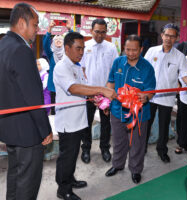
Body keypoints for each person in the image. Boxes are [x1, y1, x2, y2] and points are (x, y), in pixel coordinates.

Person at [0, 3, 53, 200]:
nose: (37, 30)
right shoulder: (22, 50)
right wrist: (45, 130)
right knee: (28, 183)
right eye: (35, 25)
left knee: (15, 177)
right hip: (27, 131)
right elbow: (32, 97)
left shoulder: (1, 47)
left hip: (11, 127)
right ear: (21, 23)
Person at [53, 32, 116, 200]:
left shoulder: (76, 66)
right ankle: (63, 189)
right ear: (67, 48)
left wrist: (94, 98)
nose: (81, 52)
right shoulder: (62, 67)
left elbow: (83, 89)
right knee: (67, 156)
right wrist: (102, 89)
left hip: (78, 119)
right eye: (78, 48)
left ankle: (69, 179)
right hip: (68, 121)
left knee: (73, 154)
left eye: (83, 48)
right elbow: (73, 88)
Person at [144, 23, 187, 163]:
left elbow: (185, 75)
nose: (168, 38)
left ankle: (161, 150)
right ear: (162, 35)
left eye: (172, 36)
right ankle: (141, 148)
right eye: (166, 35)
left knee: (164, 126)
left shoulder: (179, 56)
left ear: (177, 38)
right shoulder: (151, 51)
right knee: (145, 124)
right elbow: (143, 69)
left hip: (166, 98)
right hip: (148, 96)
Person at [105, 35, 156, 184]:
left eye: (134, 50)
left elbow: (151, 91)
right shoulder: (118, 62)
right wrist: (107, 100)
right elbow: (110, 82)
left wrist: (145, 97)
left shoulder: (147, 68)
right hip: (117, 110)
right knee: (118, 141)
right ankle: (117, 165)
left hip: (138, 114)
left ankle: (135, 170)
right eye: (127, 49)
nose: (131, 53)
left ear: (141, 49)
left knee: (136, 144)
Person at [80, 18, 119, 164]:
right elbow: (82, 69)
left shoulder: (111, 47)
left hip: (105, 93)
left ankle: (105, 148)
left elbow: (114, 70)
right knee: (87, 122)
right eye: (97, 32)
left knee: (105, 122)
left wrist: (109, 90)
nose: (100, 35)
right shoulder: (84, 46)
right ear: (91, 31)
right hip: (88, 92)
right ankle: (86, 149)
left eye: (103, 32)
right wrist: (86, 89)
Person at [43, 20, 71, 115]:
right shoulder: (51, 54)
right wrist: (50, 29)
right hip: (53, 86)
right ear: (53, 43)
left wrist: (69, 30)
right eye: (56, 40)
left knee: (65, 108)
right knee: (54, 109)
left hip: (65, 85)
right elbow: (45, 44)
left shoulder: (67, 54)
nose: (58, 41)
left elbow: (73, 42)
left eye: (60, 40)